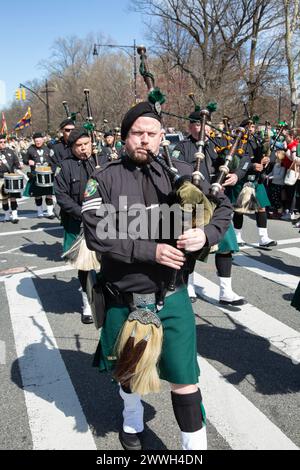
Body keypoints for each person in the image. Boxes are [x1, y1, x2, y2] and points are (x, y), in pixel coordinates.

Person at [82, 101, 233, 450]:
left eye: (152, 134)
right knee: (129, 372)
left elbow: (221, 205)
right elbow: (96, 233)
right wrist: (150, 251)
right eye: (137, 133)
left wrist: (206, 234)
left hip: (172, 295)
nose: (145, 140)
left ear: (162, 136)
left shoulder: (182, 174)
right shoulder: (103, 179)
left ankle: (193, 448)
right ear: (124, 138)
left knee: (185, 378)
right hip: (124, 298)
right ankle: (132, 420)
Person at [173, 111, 248, 305]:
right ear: (190, 127)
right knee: (189, 246)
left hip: (218, 202)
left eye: (206, 124)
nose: (203, 127)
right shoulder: (182, 147)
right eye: (198, 124)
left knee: (225, 247)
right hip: (194, 203)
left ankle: (226, 291)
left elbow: (241, 160)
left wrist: (236, 175)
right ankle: (188, 285)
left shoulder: (220, 145)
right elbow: (176, 170)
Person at [54, 128, 98, 324]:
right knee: (85, 265)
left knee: (109, 260)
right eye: (78, 146)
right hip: (77, 221)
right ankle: (87, 303)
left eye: (86, 144)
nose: (83, 149)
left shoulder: (100, 161)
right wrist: (82, 213)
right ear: (72, 147)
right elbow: (61, 196)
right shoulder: (64, 167)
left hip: (103, 220)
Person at [232, 118, 277, 248]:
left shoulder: (258, 140)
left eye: (252, 126)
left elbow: (273, 154)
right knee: (239, 209)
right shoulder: (238, 142)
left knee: (261, 207)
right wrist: (252, 165)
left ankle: (264, 238)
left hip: (257, 179)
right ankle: (237, 236)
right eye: (248, 126)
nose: (251, 128)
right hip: (243, 178)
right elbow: (236, 160)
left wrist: (269, 159)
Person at [23, 132, 55, 218]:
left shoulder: (48, 148)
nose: (38, 142)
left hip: (47, 174)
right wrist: (28, 161)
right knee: (37, 195)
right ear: (34, 141)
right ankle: (40, 212)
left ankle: (50, 212)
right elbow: (24, 159)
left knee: (49, 194)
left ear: (42, 140)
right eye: (36, 141)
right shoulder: (30, 149)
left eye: (39, 140)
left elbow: (54, 159)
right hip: (35, 174)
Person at [0, 134, 23, 223]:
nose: (3, 143)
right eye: (1, 142)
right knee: (4, 199)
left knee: (13, 197)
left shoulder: (10, 151)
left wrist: (19, 166)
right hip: (1, 178)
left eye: (4, 142)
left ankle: (14, 215)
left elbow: (16, 162)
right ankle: (6, 215)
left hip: (11, 177)